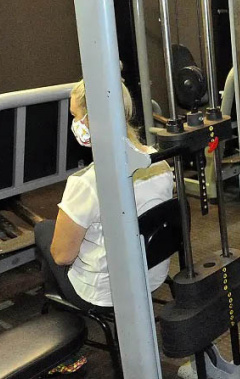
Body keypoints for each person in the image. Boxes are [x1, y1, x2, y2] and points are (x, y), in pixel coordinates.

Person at [35, 80, 173, 311]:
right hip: (152, 278)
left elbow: (62, 257)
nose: (75, 123)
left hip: (104, 295)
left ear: (93, 117)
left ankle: (62, 312)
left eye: (76, 115)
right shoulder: (160, 165)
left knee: (44, 230)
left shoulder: (86, 184)